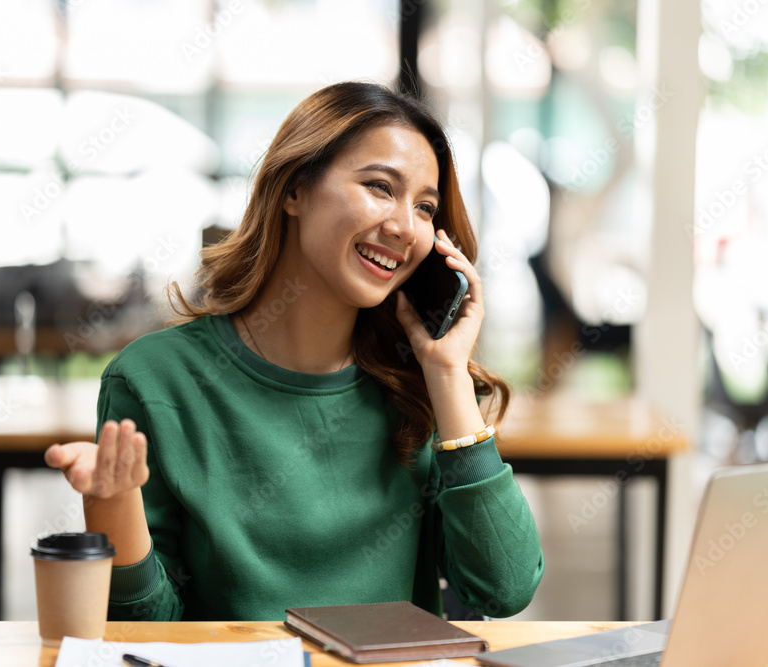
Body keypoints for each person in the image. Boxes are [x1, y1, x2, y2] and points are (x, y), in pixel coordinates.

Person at [44, 81, 544, 622]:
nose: (405, 227)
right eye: (380, 186)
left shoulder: (418, 386)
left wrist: (446, 375)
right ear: (294, 189)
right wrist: (111, 506)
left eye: (425, 207)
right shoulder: (155, 380)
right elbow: (148, 630)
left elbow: (504, 590)